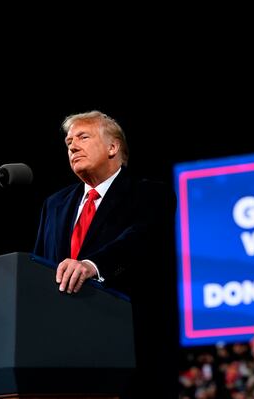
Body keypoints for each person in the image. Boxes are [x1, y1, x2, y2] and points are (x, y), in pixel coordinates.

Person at [34, 110, 177, 397]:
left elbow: (138, 239)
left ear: (113, 147)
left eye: (82, 137)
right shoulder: (54, 204)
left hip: (131, 351)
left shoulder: (151, 194)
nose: (72, 146)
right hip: (62, 355)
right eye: (68, 142)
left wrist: (92, 265)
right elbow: (39, 265)